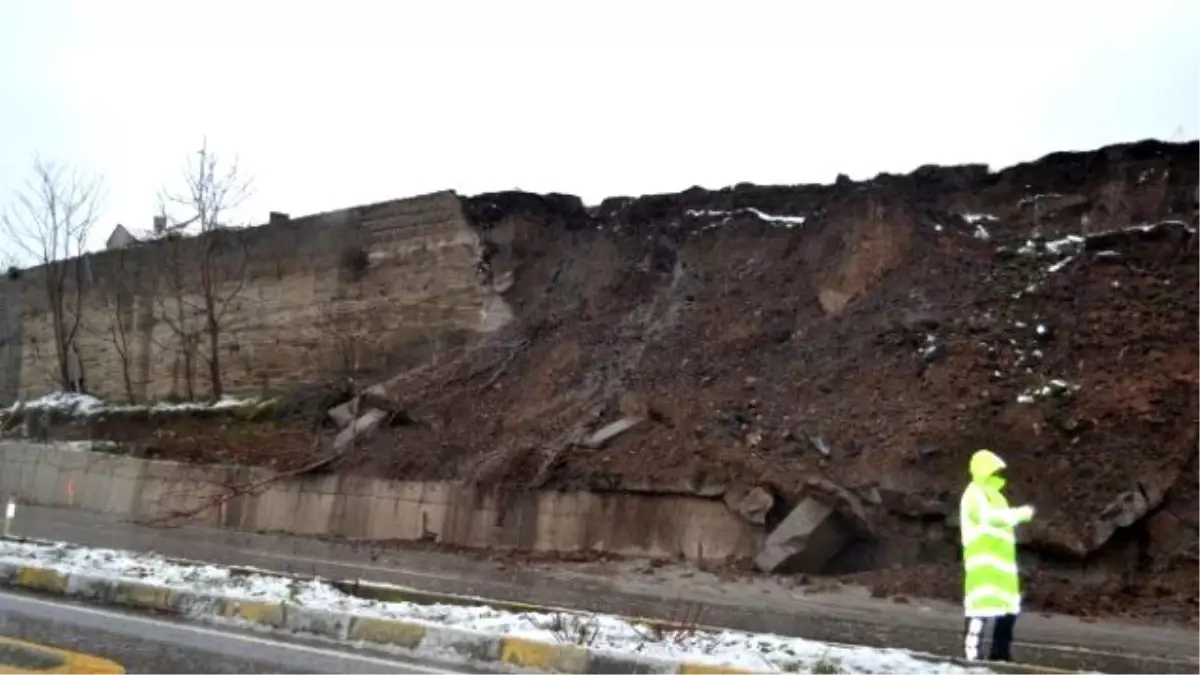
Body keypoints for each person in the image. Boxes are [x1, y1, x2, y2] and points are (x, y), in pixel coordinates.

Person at [959, 449, 1035, 662]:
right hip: (982, 563)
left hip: (1003, 567)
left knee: (1010, 608)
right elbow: (988, 518)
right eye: (994, 472)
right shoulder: (973, 493)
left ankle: (1000, 654)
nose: (999, 477)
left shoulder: (998, 497)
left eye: (1000, 473)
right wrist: (1019, 514)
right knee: (979, 608)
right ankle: (971, 657)